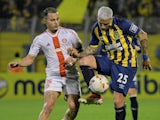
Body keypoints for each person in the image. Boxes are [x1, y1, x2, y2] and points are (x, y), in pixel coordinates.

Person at [67, 6, 152, 120]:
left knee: (118, 101)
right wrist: (78, 55)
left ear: (111, 19)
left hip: (126, 65)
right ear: (97, 18)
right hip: (110, 61)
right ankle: (95, 94)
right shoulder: (96, 28)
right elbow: (92, 48)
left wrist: (145, 57)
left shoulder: (123, 24)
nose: (102, 26)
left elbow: (143, 34)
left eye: (106, 24)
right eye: (100, 23)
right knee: (84, 61)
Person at [8, 7, 83, 120]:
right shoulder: (40, 39)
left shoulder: (70, 33)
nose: (56, 22)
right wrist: (19, 63)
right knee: (48, 106)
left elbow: (82, 51)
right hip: (53, 76)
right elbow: (29, 58)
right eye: (52, 20)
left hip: (71, 75)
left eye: (57, 19)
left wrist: (74, 59)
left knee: (73, 107)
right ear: (45, 21)